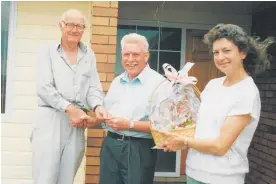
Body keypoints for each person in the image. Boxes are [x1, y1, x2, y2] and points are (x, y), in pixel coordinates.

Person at [161, 24, 275, 184]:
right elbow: (200, 127)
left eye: (226, 51)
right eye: (216, 52)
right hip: (194, 172)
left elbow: (220, 146)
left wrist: (183, 142)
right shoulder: (213, 85)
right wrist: (176, 134)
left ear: (242, 52)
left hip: (222, 178)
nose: (220, 57)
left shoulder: (246, 92)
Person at [31, 9, 108, 184]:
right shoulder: (47, 51)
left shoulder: (89, 54)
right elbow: (44, 87)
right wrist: (70, 108)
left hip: (77, 123)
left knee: (67, 178)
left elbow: (93, 88)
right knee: (45, 177)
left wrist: (98, 106)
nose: (75, 30)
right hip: (50, 118)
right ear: (61, 25)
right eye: (70, 25)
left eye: (80, 26)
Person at [82, 33, 165, 184]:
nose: (130, 59)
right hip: (111, 145)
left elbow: (164, 126)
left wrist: (129, 125)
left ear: (146, 56)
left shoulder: (160, 84)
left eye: (136, 54)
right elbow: (108, 119)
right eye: (127, 54)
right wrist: (93, 120)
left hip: (138, 149)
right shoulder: (117, 82)